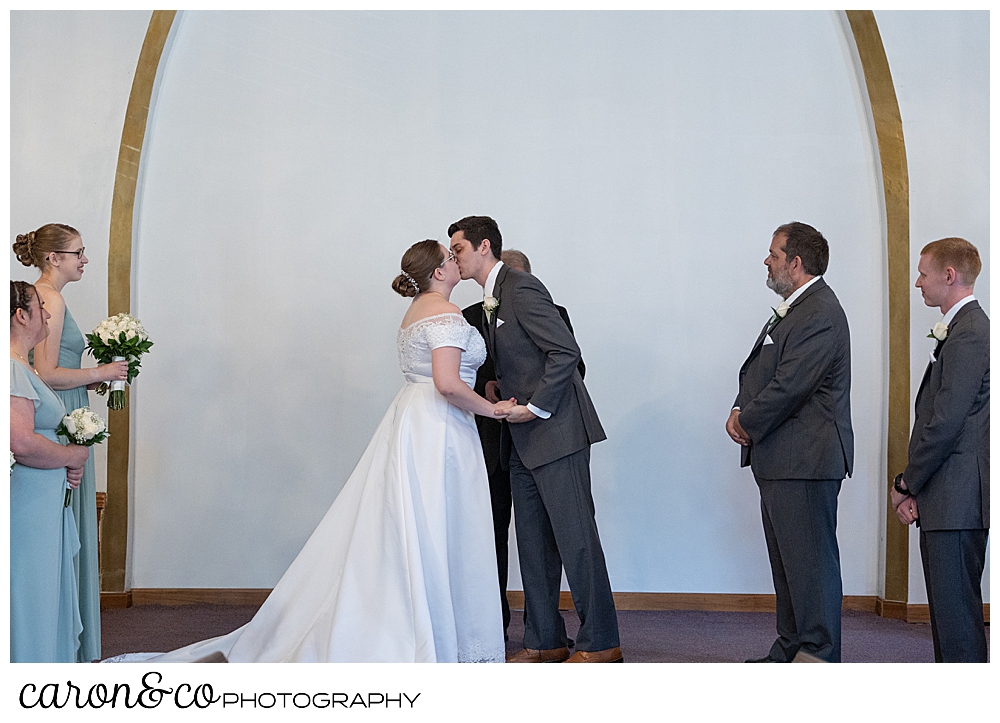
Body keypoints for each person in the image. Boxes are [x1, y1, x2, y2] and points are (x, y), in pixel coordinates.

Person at [138, 240, 507, 663]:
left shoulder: (415, 312)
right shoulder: (445, 313)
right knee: (437, 523)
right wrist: (492, 409)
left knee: (414, 524)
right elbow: (447, 382)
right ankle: (431, 632)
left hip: (415, 420)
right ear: (439, 272)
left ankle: (424, 619)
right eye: (449, 256)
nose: (455, 260)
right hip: (438, 426)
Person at [449, 216, 621, 663]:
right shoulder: (492, 298)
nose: (455, 258)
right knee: (533, 542)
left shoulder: (521, 288)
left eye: (459, 248)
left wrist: (536, 405)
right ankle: (545, 640)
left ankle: (602, 642)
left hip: (556, 431)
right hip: (521, 440)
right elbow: (522, 359)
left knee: (576, 539)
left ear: (483, 247)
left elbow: (565, 352)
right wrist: (495, 387)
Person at [726, 222, 853, 663]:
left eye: (774, 254)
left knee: (811, 565)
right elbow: (761, 369)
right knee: (788, 565)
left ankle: (818, 653)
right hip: (784, 458)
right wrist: (741, 407)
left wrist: (747, 420)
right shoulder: (797, 308)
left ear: (796, 263)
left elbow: (791, 384)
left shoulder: (820, 312)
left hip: (806, 459)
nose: (767, 260)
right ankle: (791, 646)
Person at [13, 224, 128, 662]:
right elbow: (45, 374)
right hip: (54, 418)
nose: (84, 259)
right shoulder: (52, 298)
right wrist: (104, 373)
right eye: (76, 253)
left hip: (62, 407)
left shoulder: (47, 296)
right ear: (51, 259)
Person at [461, 248, 587, 641]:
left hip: (539, 437)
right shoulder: (467, 317)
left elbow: (573, 367)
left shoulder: (550, 309)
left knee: (545, 541)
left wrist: (529, 396)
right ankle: (493, 627)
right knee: (492, 539)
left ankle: (545, 628)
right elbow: (465, 372)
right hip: (491, 445)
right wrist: (488, 385)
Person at [891, 237, 989, 663]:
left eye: (923, 273)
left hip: (957, 497)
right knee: (950, 616)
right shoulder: (964, 328)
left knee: (956, 619)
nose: (917, 282)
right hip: (948, 495)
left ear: (949, 276)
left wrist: (906, 482)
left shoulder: (969, 333)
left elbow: (945, 423)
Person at [10, 281, 90, 662]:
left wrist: (67, 459)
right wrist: (71, 455)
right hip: (26, 505)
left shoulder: (21, 368)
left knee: (43, 589)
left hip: (41, 500)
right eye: (39, 308)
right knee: (29, 591)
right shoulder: (11, 370)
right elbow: (20, 442)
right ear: (20, 316)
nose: (46, 315)